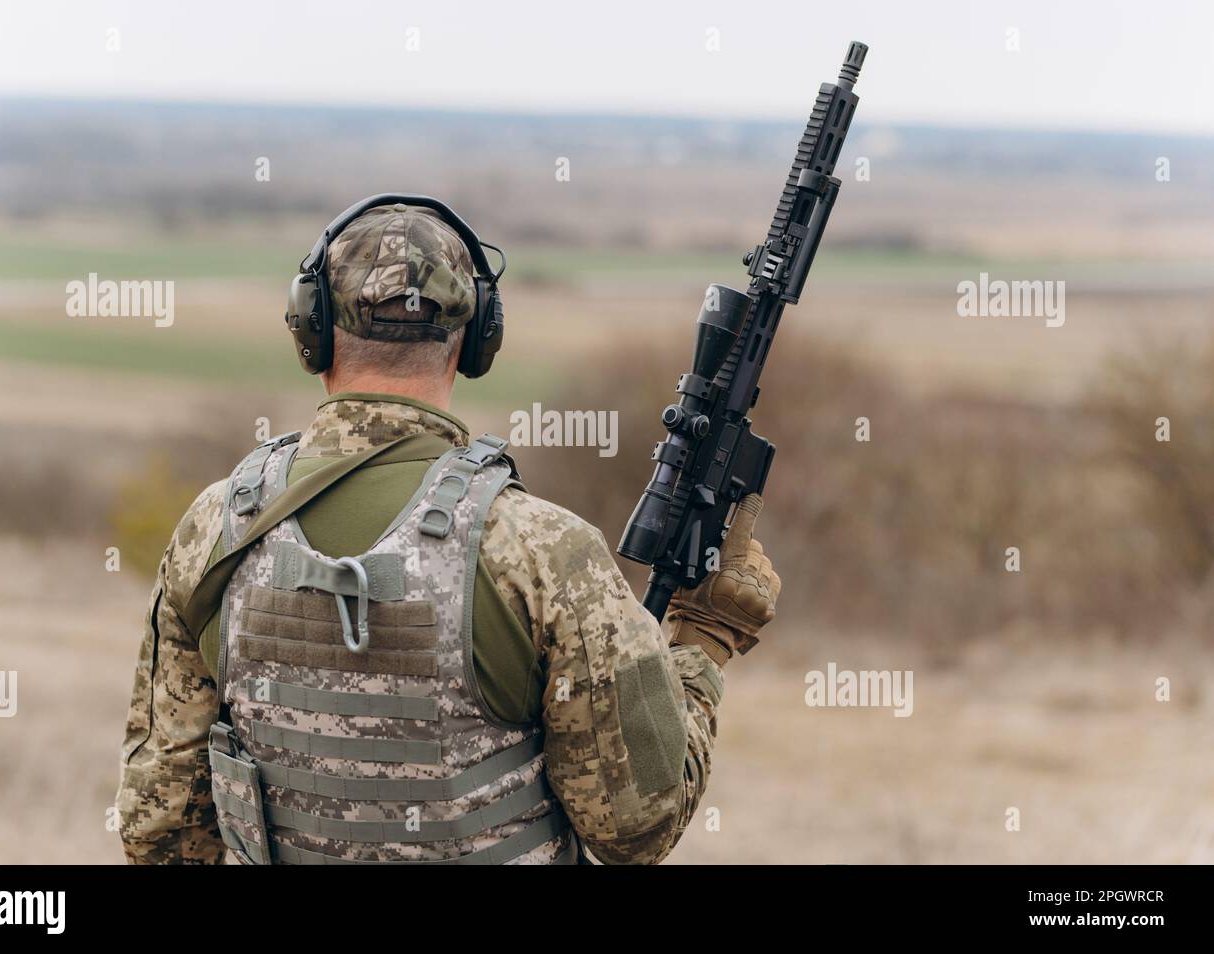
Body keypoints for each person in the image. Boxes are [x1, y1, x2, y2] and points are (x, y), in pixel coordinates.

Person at [115, 196, 781, 865]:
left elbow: (159, 832)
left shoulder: (216, 529)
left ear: (309, 331)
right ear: (475, 341)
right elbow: (636, 828)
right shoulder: (543, 550)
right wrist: (706, 638)